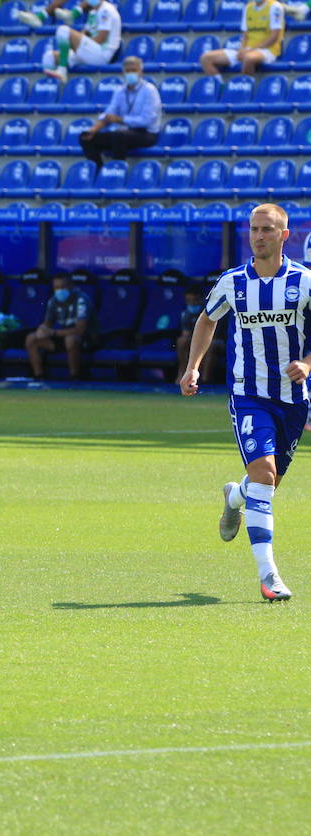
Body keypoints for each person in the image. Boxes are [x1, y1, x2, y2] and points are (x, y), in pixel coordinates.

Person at [180, 203, 311, 602]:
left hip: (293, 400)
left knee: (263, 485)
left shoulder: (304, 282)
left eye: (268, 229)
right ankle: (268, 575)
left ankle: (233, 497)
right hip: (248, 394)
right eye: (254, 229)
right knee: (265, 475)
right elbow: (207, 319)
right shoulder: (233, 282)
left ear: (284, 235)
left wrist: (306, 363)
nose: (259, 235)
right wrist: (194, 368)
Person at [78, 56, 161, 166]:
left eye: (134, 70)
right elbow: (109, 114)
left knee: (118, 135)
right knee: (86, 139)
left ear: (141, 72)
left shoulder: (149, 90)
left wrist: (121, 120)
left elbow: (147, 120)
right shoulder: (120, 91)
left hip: (146, 134)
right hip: (125, 133)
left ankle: (117, 169)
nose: (131, 74)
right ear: (123, 72)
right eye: (128, 71)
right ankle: (99, 170)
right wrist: (93, 130)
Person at [25, 272, 91, 381]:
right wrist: (42, 330)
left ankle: (75, 378)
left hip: (85, 340)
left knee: (70, 340)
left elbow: (80, 330)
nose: (60, 290)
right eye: (56, 287)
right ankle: (39, 377)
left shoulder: (81, 300)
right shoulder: (53, 301)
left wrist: (53, 333)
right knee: (31, 338)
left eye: (63, 287)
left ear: (71, 286)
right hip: (62, 337)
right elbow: (47, 324)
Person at [200, 0, 287, 76]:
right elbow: (245, 35)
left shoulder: (275, 7)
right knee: (206, 58)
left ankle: (244, 90)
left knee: (249, 58)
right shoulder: (248, 7)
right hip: (248, 49)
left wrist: (250, 50)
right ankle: (220, 88)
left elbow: (274, 37)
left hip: (268, 50)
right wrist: (242, 50)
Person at [42, 0, 122, 82]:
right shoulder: (93, 12)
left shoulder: (106, 10)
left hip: (102, 53)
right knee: (48, 57)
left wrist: (76, 43)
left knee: (63, 30)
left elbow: (100, 39)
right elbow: (85, 33)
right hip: (90, 50)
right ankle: (52, 91)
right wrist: (73, 44)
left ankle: (62, 70)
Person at [176, 282, 223, 385]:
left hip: (217, 341)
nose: (192, 304)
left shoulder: (211, 309)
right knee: (181, 341)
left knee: (211, 345)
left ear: (201, 299)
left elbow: (212, 334)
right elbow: (186, 334)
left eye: (195, 300)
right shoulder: (186, 314)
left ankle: (205, 381)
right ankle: (183, 374)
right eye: (189, 301)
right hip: (194, 340)